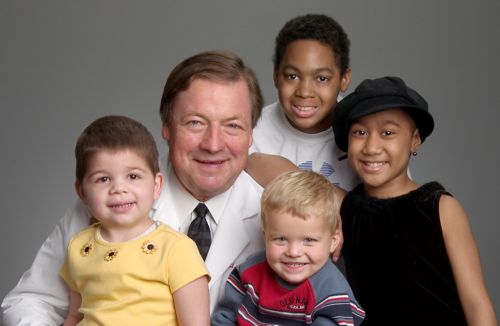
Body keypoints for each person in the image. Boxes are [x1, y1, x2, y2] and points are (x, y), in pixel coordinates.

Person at [1, 50, 270, 325]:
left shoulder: (277, 217)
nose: (213, 144)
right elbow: (33, 301)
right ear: (166, 127)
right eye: (195, 123)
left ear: (251, 134)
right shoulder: (110, 201)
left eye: (233, 125)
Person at [332, 76, 497, 325]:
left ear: (415, 139)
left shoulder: (439, 207)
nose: (371, 146)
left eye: (387, 132)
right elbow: (273, 169)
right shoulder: (346, 208)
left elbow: (477, 304)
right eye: (360, 132)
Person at [60, 115, 210, 325]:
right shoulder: (79, 247)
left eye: (133, 176)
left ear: (156, 185)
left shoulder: (176, 249)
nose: (119, 189)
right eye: (103, 179)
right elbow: (75, 315)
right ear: (82, 192)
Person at [212, 170, 365, 325]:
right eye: (281, 239)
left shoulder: (331, 289)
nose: (293, 252)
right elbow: (225, 317)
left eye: (308, 240)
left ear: (333, 241)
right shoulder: (248, 271)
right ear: (265, 236)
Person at [250, 13, 359, 190]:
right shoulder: (251, 132)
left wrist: (286, 176)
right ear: (276, 75)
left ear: (344, 79)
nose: (305, 92)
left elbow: (394, 208)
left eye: (322, 78)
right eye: (292, 76)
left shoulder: (365, 132)